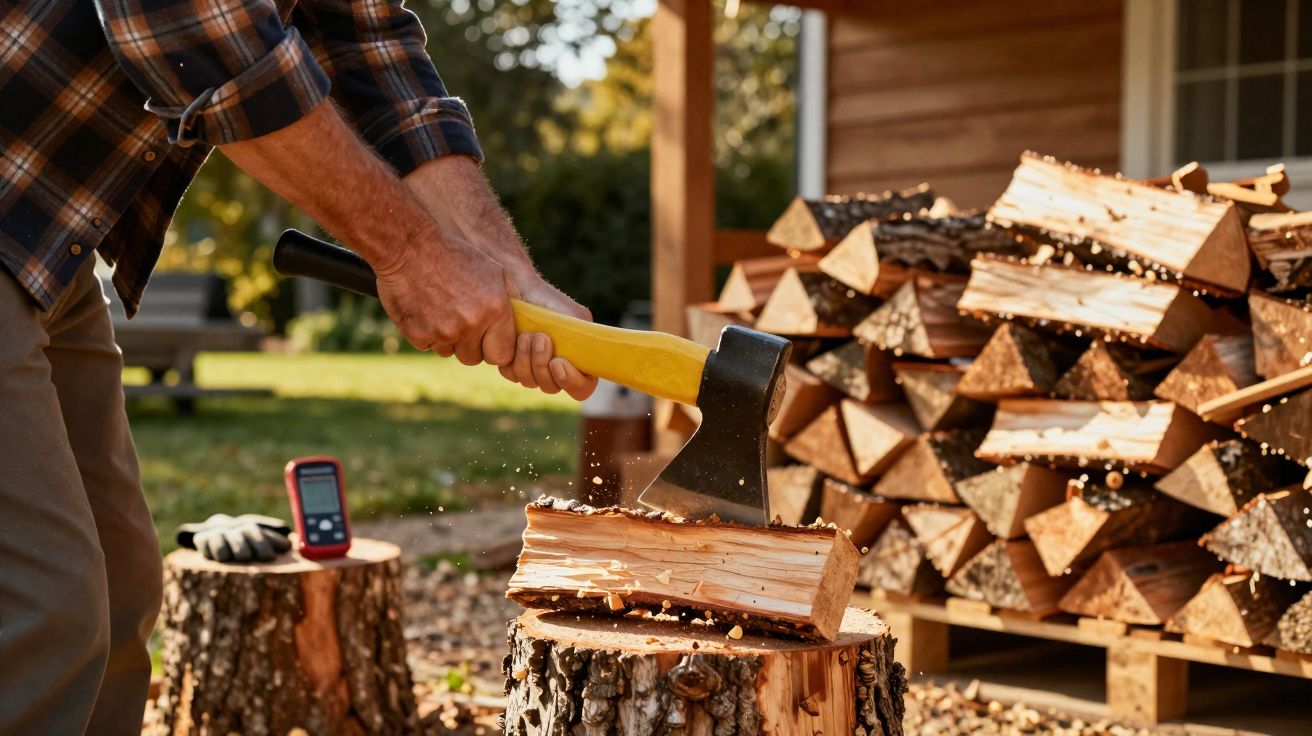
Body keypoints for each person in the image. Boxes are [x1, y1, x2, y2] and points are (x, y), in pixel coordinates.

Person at [0, 0, 596, 731]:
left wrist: (506, 272)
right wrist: (411, 252)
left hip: (40, 243)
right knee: (43, 606)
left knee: (121, 588)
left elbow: (367, 42)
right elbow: (186, 24)